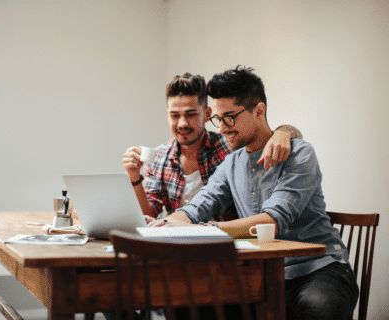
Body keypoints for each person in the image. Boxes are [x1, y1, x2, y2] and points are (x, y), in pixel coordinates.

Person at [149, 66, 359, 320]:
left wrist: (206, 230)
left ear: (259, 111)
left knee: (314, 311)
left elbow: (273, 220)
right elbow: (198, 207)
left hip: (319, 270)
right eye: (218, 118)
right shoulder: (231, 163)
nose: (223, 128)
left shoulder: (300, 154)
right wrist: (170, 223)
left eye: (230, 117)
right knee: (189, 305)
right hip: (263, 275)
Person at [123, 72, 302, 221]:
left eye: (191, 114)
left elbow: (269, 139)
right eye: (175, 115)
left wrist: (284, 132)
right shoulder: (160, 157)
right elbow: (148, 216)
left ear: (207, 114)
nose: (182, 123)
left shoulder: (230, 144)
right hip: (180, 242)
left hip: (229, 245)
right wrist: (135, 178)